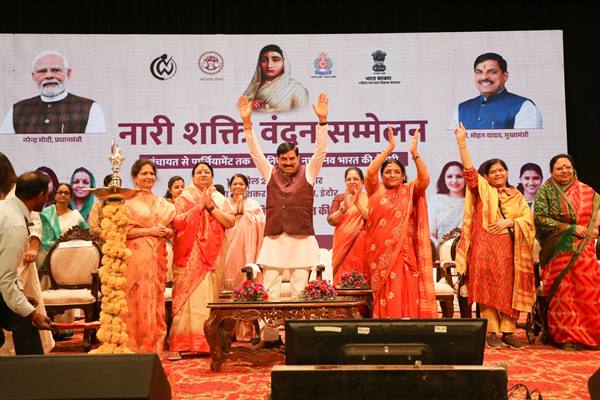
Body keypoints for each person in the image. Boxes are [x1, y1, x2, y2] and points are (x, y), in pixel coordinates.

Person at [454, 122, 536, 349]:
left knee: (509, 289)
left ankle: (508, 332)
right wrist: (462, 142)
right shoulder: (483, 189)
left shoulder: (516, 195)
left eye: (501, 170)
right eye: (493, 171)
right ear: (487, 176)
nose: (498, 173)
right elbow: (469, 170)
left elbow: (528, 221)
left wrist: (510, 222)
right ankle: (491, 331)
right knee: (485, 288)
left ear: (507, 173)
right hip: (483, 247)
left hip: (510, 250)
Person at [364, 126, 437, 319]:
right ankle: (383, 325)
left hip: (404, 251)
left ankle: (407, 324)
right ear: (382, 175)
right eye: (388, 171)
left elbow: (424, 179)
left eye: (397, 172)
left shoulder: (409, 190)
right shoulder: (375, 190)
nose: (392, 174)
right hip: (378, 252)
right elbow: (370, 172)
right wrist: (389, 149)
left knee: (405, 286)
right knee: (383, 290)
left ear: (403, 175)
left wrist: (415, 155)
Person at [534, 154, 600, 351]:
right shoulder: (545, 191)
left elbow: (595, 213)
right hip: (557, 251)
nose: (564, 171)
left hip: (584, 251)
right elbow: (540, 219)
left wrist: (594, 228)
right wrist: (570, 228)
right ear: (552, 171)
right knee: (563, 294)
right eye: (559, 168)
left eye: (567, 167)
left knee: (588, 291)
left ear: (573, 169)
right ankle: (565, 337)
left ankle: (591, 336)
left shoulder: (587, 191)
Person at [168, 161, 234, 356]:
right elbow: (177, 223)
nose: (203, 174)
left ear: (212, 176)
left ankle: (209, 342)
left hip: (214, 253)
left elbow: (230, 221)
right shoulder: (185, 197)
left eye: (207, 172)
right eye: (199, 172)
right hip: (190, 253)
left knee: (210, 296)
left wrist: (211, 207)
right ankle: (185, 343)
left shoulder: (219, 198)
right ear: (193, 176)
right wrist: (198, 208)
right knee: (190, 296)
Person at [124, 159, 176, 353]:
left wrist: (165, 232)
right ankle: (133, 344)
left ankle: (152, 345)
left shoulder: (163, 204)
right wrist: (149, 231)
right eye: (144, 173)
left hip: (156, 259)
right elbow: (124, 232)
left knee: (154, 299)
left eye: (152, 173)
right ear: (134, 177)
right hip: (134, 259)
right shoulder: (127, 203)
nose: (149, 177)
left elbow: (170, 231)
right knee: (134, 297)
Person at [0, 172, 52, 355]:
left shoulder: (6, 208)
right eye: (47, 194)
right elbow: (5, 281)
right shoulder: (15, 226)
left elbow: (7, 270)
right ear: (41, 195)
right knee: (26, 316)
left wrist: (21, 297)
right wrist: (34, 314)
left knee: (23, 318)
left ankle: (33, 370)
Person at [0, 50, 105, 134]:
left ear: (68, 74)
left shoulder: (90, 108)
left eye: (55, 70)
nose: (49, 76)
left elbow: (94, 146)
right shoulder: (16, 110)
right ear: (33, 76)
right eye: (42, 71)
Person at [222, 173, 266, 341]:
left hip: (247, 251)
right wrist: (234, 214)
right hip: (227, 250)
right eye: (235, 184)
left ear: (247, 187)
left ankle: (247, 330)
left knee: (246, 284)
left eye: (241, 184)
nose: (238, 187)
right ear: (230, 187)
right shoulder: (225, 204)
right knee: (228, 285)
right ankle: (228, 331)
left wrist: (245, 214)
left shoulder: (252, 204)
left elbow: (261, 223)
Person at [452, 52, 543, 129]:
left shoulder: (524, 107)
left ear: (505, 76)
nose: (484, 77)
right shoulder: (462, 109)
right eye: (479, 72)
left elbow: (528, 143)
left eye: (492, 72)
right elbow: (451, 143)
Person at [25, 183, 88, 274]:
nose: (63, 195)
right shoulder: (44, 214)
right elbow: (36, 232)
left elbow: (85, 235)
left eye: (66, 193)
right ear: (55, 196)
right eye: (60, 192)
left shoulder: (76, 216)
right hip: (43, 258)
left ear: (70, 197)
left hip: (67, 259)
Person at [327, 167, 369, 283]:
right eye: (349, 179)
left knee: (362, 275)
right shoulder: (340, 198)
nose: (352, 181)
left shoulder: (369, 197)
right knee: (342, 277)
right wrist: (342, 210)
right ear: (345, 182)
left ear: (362, 181)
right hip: (342, 243)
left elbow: (371, 218)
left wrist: (358, 203)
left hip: (362, 242)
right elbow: (331, 221)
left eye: (355, 179)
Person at [242, 44, 309, 112]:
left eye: (276, 60)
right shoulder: (254, 87)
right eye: (264, 60)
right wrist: (249, 105)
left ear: (284, 63)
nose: (269, 65)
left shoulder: (297, 89)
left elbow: (302, 114)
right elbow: (240, 109)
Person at [428, 161, 466, 245]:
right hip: (440, 250)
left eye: (459, 176)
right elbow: (431, 234)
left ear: (465, 179)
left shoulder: (471, 202)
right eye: (449, 177)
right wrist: (440, 250)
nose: (454, 180)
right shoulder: (436, 200)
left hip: (466, 250)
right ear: (444, 180)